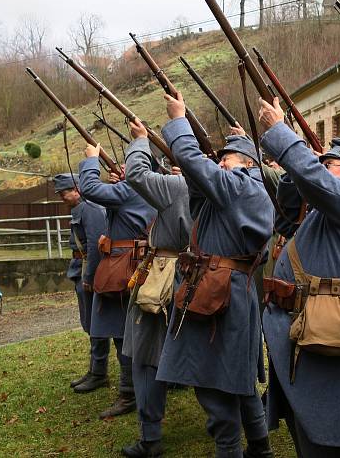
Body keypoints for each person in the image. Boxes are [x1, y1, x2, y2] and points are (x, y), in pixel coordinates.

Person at [258, 96, 340, 457]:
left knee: (326, 429)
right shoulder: (325, 207)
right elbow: (284, 215)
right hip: (303, 322)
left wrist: (283, 134)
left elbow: (322, 186)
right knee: (307, 423)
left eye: (333, 164)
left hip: (325, 325)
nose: (324, 169)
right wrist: (302, 169)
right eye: (322, 164)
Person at [156, 92, 274, 458]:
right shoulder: (234, 191)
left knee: (214, 384)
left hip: (218, 294)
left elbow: (194, 163)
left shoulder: (241, 186)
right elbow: (195, 182)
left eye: (227, 157)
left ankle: (231, 449)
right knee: (238, 383)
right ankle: (260, 447)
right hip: (222, 291)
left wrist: (180, 119)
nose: (220, 162)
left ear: (247, 163)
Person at [120, 122, 193, 458]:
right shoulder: (211, 185)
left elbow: (135, 174)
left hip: (163, 276)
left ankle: (150, 438)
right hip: (198, 277)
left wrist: (139, 142)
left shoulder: (178, 186)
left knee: (146, 358)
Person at [79, 150, 156, 419]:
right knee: (127, 331)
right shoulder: (149, 186)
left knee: (121, 332)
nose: (124, 167)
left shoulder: (129, 190)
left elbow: (88, 188)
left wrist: (91, 158)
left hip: (122, 268)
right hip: (134, 264)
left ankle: (129, 392)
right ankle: (134, 388)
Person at [53, 173, 107, 391]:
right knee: (90, 323)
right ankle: (96, 369)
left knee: (96, 324)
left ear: (77, 189)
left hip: (87, 271)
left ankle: (99, 372)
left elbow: (94, 245)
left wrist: (89, 276)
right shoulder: (81, 209)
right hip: (80, 269)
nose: (61, 197)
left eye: (63, 192)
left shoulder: (90, 208)